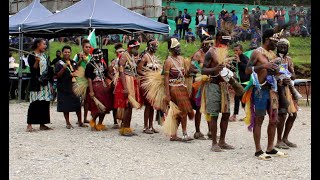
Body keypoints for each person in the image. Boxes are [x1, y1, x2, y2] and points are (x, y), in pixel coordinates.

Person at [244, 29, 288, 160]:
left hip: (272, 90)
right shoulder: (257, 53)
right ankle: (258, 150)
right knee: (259, 119)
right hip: (260, 90)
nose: (276, 45)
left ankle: (270, 148)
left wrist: (284, 76)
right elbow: (247, 70)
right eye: (274, 42)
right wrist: (263, 67)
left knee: (274, 120)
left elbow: (280, 71)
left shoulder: (273, 55)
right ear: (268, 39)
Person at [201, 30, 234, 152]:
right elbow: (203, 70)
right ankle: (214, 143)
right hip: (213, 85)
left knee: (226, 114)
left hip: (224, 85)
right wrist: (215, 68)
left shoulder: (224, 52)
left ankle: (222, 141)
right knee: (214, 114)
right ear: (219, 37)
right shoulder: (211, 52)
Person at [163, 37, 194, 142]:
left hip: (182, 87)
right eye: (177, 47)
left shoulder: (181, 59)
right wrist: (167, 93)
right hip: (174, 88)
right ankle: (184, 134)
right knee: (183, 110)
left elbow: (186, 73)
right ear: (172, 49)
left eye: (179, 47)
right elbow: (166, 78)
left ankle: (174, 134)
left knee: (178, 111)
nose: (179, 49)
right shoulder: (168, 61)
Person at [54, 45, 88, 129]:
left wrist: (80, 61)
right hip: (63, 87)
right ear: (62, 53)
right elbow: (56, 76)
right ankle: (68, 123)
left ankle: (80, 122)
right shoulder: (59, 63)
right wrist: (64, 68)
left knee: (77, 104)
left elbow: (76, 69)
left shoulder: (73, 62)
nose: (67, 53)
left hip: (74, 87)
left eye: (69, 52)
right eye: (65, 52)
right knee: (66, 105)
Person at [114, 40, 142, 136]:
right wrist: (125, 87)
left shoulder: (131, 56)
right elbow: (121, 72)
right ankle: (125, 129)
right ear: (130, 47)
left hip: (131, 80)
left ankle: (127, 128)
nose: (137, 50)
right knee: (127, 105)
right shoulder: (124, 56)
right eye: (136, 47)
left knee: (130, 106)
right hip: (126, 81)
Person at [274, 38, 298, 149]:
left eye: (285, 47)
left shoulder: (289, 59)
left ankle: (285, 138)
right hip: (277, 88)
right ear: (277, 47)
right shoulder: (273, 58)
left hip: (287, 88)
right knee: (282, 114)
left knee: (293, 114)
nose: (283, 49)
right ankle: (278, 140)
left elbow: (293, 76)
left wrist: (289, 77)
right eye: (281, 47)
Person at [26, 38, 54, 132]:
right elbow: (33, 70)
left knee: (45, 103)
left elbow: (47, 68)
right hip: (36, 82)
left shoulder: (45, 56)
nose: (45, 46)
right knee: (34, 103)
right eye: (44, 44)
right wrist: (36, 61)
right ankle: (29, 125)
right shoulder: (32, 55)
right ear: (38, 45)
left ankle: (42, 123)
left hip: (45, 82)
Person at [189, 36, 213, 140]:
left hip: (208, 82)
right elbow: (191, 68)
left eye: (212, 44)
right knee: (199, 108)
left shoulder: (210, 54)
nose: (211, 46)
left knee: (208, 108)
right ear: (204, 44)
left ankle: (211, 131)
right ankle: (198, 132)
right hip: (198, 84)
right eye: (209, 44)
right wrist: (201, 71)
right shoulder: (198, 54)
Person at [85, 48, 113, 131]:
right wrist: (91, 91)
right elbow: (89, 79)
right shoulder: (90, 65)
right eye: (99, 54)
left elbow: (106, 73)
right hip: (95, 87)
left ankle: (100, 123)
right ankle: (93, 121)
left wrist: (114, 79)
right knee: (97, 107)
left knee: (105, 106)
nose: (100, 56)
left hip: (104, 87)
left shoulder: (103, 63)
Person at [137, 39, 161, 134]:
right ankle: (145, 127)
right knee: (148, 104)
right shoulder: (145, 57)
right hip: (147, 82)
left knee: (152, 105)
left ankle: (151, 126)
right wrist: (147, 75)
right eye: (154, 46)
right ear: (149, 46)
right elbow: (138, 69)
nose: (156, 48)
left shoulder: (153, 57)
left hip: (153, 83)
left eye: (156, 46)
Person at [229, 44, 250, 122]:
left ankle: (236, 115)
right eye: (234, 50)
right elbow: (233, 68)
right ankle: (245, 115)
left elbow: (247, 69)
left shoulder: (245, 58)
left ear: (241, 51)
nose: (235, 52)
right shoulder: (234, 59)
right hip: (238, 81)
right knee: (239, 98)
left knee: (240, 98)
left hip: (245, 82)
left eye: (237, 50)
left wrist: (239, 62)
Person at [74, 39, 92, 123]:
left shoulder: (91, 56)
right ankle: (79, 119)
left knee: (86, 100)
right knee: (78, 100)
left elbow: (93, 66)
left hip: (88, 79)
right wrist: (81, 59)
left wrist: (87, 60)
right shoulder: (78, 55)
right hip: (80, 80)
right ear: (83, 47)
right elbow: (74, 66)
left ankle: (85, 118)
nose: (88, 48)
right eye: (86, 47)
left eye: (89, 47)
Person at [108, 43, 125, 129]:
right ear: (116, 53)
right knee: (115, 103)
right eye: (119, 51)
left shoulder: (126, 61)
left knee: (124, 103)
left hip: (124, 84)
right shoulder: (114, 62)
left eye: (123, 51)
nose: (121, 53)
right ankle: (115, 121)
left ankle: (123, 121)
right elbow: (108, 71)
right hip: (116, 85)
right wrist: (114, 78)